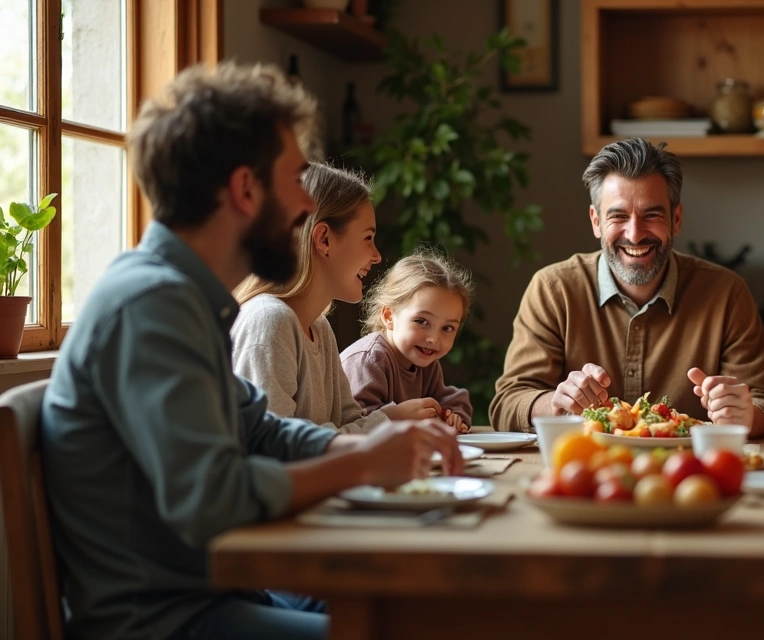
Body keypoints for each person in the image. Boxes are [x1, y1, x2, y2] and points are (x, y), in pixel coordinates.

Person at [40, 62, 462, 640]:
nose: (301, 206)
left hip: (217, 596)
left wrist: (367, 442)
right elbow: (212, 498)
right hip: (164, 621)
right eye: (294, 179)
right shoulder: (152, 306)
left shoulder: (187, 298)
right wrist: (362, 462)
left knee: (423, 610)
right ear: (244, 189)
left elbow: (261, 431)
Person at [489, 138, 764, 436]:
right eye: (618, 216)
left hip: (688, 471)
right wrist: (556, 404)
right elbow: (506, 404)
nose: (635, 234)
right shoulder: (552, 289)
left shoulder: (728, 293)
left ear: (676, 219)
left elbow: (763, 404)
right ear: (596, 221)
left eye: (652, 215)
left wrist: (744, 415)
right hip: (584, 465)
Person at [230, 162, 404, 434]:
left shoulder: (319, 329)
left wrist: (390, 422)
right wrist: (389, 420)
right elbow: (274, 451)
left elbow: (347, 425)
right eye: (367, 238)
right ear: (324, 239)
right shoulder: (269, 321)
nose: (376, 256)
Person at [340, 250, 475, 433]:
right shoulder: (370, 359)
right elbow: (356, 425)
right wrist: (399, 416)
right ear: (389, 316)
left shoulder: (426, 363)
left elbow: (451, 399)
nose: (434, 339)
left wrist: (453, 416)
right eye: (421, 321)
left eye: (447, 328)